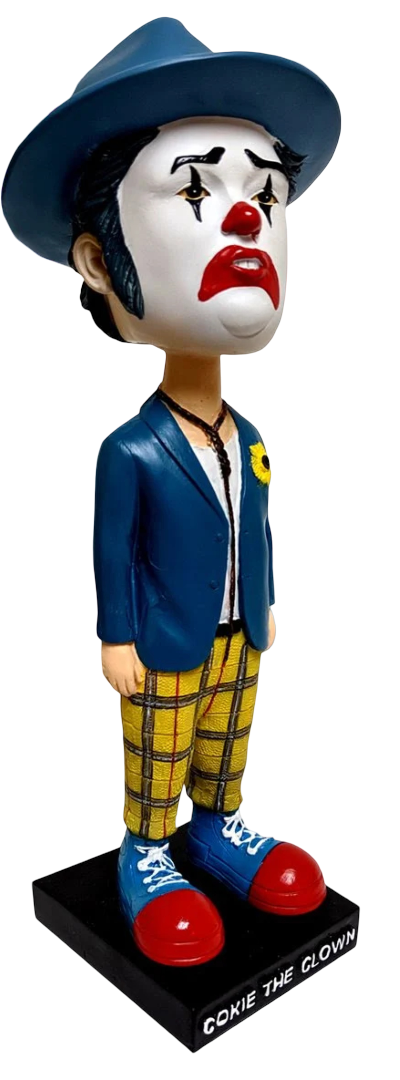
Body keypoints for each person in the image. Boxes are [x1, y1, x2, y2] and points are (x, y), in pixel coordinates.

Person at [1, 18, 341, 968]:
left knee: (228, 739)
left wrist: (265, 604)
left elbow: (256, 528)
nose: (246, 220)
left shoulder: (253, 437)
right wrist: (115, 638)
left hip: (239, 631)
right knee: (159, 746)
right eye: (194, 189)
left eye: (266, 194)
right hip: (161, 640)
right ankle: (146, 848)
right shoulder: (131, 450)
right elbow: (113, 550)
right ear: (98, 262)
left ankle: (219, 825)